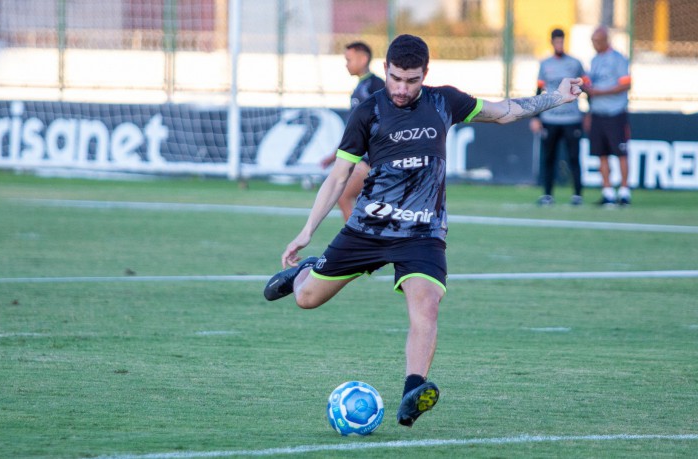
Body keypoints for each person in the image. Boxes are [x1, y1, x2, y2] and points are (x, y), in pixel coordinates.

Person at [264, 34, 582, 428]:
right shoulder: (368, 111)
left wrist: (557, 96)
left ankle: (413, 392)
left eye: (411, 80)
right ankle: (304, 272)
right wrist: (306, 231)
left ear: (424, 75)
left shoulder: (443, 101)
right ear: (386, 71)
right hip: (369, 228)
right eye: (396, 78)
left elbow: (504, 111)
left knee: (427, 304)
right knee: (306, 299)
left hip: (423, 233)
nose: (402, 88)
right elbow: (339, 175)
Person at [320, 41, 385, 221]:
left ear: (363, 59)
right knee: (361, 201)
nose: (346, 64)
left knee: (343, 195)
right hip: (364, 156)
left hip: (371, 158)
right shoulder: (361, 87)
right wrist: (334, 155)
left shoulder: (374, 86)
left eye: (349, 59)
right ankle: (363, 243)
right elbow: (354, 130)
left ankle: (355, 244)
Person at [530, 28, 587, 207]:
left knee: (574, 157)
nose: (559, 44)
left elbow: (586, 87)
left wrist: (590, 112)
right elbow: (539, 91)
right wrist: (536, 117)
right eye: (557, 41)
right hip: (550, 119)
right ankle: (548, 194)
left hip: (571, 119)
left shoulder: (575, 63)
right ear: (552, 42)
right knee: (549, 158)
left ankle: (577, 195)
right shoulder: (545, 64)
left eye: (562, 41)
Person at [584, 25, 632, 207]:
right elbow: (590, 88)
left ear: (605, 40)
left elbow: (625, 84)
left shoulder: (618, 59)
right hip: (598, 114)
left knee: (621, 153)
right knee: (601, 154)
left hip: (615, 113)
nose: (594, 45)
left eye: (596, 41)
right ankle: (608, 192)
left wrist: (600, 92)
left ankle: (625, 191)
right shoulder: (594, 61)